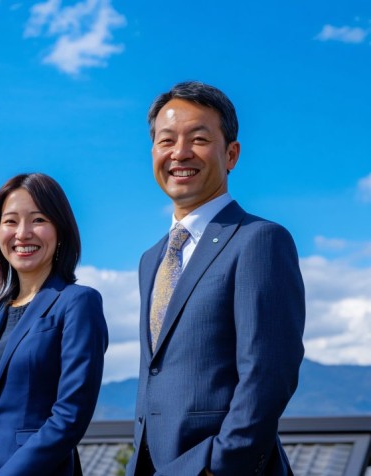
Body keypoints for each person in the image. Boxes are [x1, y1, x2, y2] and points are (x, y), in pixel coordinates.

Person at [127, 81, 305, 476]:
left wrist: (220, 466)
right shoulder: (150, 259)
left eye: (199, 139)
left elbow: (269, 372)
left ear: (231, 154)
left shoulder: (259, 240)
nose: (180, 153)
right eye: (166, 140)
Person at [0, 173, 108, 476]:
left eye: (38, 220)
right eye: (10, 222)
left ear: (60, 229)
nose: (22, 233)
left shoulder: (78, 303)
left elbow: (70, 415)